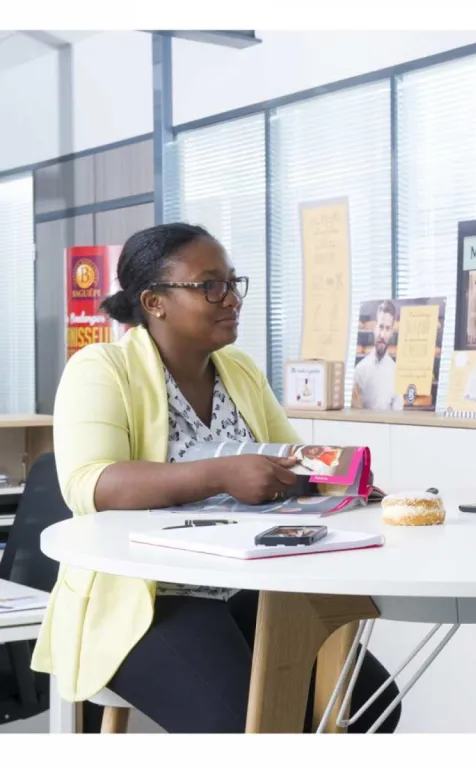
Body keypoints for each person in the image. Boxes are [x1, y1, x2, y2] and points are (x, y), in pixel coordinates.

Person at [30, 223, 401, 734]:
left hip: (245, 583)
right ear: (154, 302)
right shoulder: (101, 368)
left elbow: (291, 457)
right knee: (240, 728)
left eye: (232, 283)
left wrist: (338, 477)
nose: (231, 298)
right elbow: (91, 485)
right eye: (210, 286)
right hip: (147, 596)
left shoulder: (239, 369)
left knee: (369, 705)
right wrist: (220, 474)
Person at [352, 300, 403, 410]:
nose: (382, 335)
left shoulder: (395, 372)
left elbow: (398, 413)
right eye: (380, 327)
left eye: (387, 328)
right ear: (375, 328)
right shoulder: (360, 370)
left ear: (392, 332)